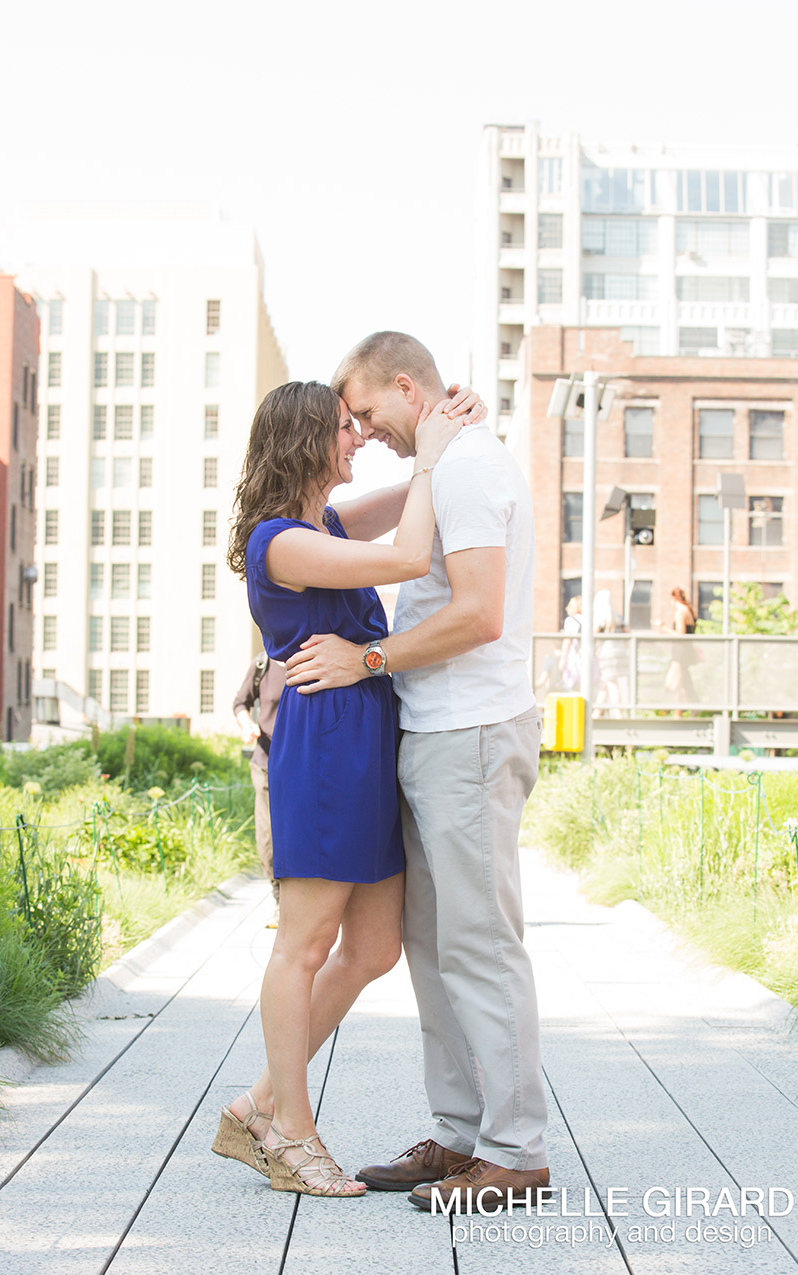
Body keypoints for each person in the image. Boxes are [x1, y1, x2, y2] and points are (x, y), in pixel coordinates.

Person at [284, 330, 549, 1215]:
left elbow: (476, 615)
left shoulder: (470, 468)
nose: (362, 430)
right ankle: (461, 1132)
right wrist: (427, 456)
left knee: (479, 943)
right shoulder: (451, 463)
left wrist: (367, 660)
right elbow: (346, 530)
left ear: (407, 387)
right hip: (436, 731)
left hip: (472, 731)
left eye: (365, 411)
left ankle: (514, 1151)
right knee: (435, 949)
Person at [209, 377, 474, 1197]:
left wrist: (444, 441)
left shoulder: (324, 520)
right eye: (343, 428)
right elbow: (404, 554)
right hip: (324, 743)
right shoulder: (279, 540)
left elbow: (401, 505)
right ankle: (293, 1129)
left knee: (373, 946)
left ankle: (257, 1106)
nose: (357, 437)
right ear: (304, 440)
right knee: (305, 942)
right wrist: (431, 461)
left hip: (365, 732)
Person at [231, 652, 287, 913]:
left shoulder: (314, 655)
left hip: (304, 765)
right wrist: (246, 725)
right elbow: (240, 703)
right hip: (266, 762)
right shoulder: (263, 664)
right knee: (268, 838)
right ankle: (279, 898)